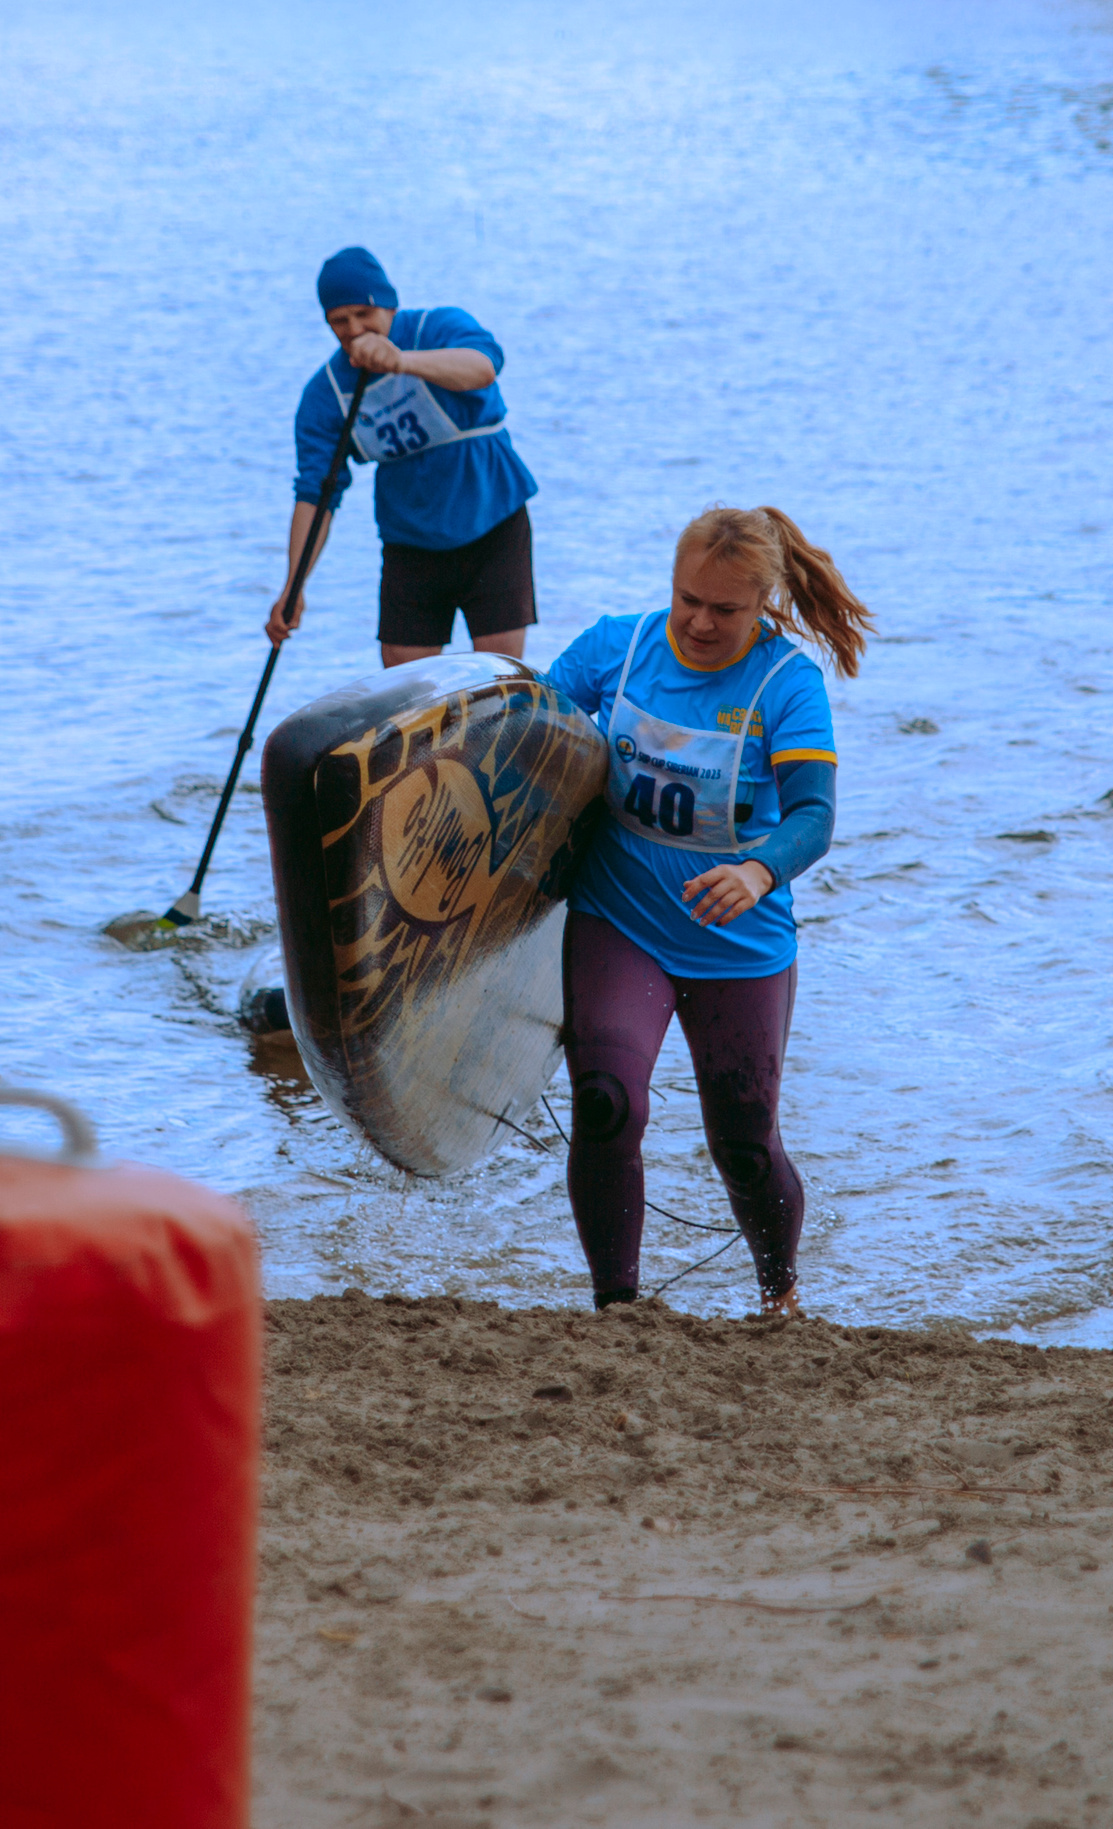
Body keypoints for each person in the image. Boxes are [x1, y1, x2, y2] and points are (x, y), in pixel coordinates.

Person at [543, 506, 869, 1315]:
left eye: (725, 609)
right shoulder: (618, 649)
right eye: (688, 598)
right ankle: (618, 1305)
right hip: (621, 921)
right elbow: (528, 728)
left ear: (762, 602)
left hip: (740, 946)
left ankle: (778, 1295)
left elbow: (813, 816)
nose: (699, 621)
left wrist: (759, 871)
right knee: (606, 1101)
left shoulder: (784, 683)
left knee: (745, 1146)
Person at [268, 246, 541, 668]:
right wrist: (293, 585)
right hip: (410, 542)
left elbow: (483, 367)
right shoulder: (326, 394)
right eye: (339, 321)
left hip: (493, 520)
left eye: (364, 313)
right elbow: (316, 494)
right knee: (405, 686)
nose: (355, 329)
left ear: (389, 304)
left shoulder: (439, 327)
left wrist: (402, 362)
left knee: (498, 677)